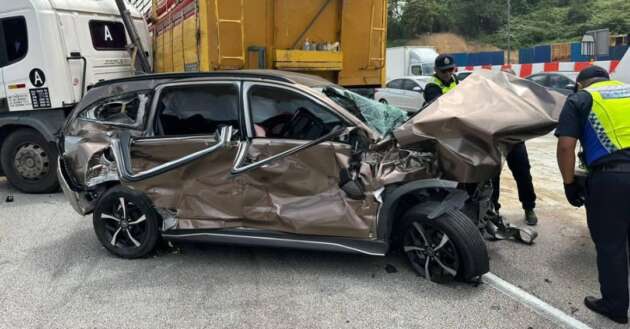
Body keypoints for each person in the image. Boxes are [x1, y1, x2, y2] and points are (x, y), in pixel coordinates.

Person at [556, 65, 630, 324]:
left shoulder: (581, 98)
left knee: (612, 245)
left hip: (613, 178)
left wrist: (569, 184)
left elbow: (566, 147)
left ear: (580, 84)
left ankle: (615, 306)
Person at [491, 67, 538, 225]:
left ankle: (529, 208)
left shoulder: (521, 96)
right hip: (496, 142)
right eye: (504, 79)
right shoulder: (491, 96)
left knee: (523, 175)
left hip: (516, 142)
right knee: (492, 177)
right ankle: (493, 210)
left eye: (510, 79)